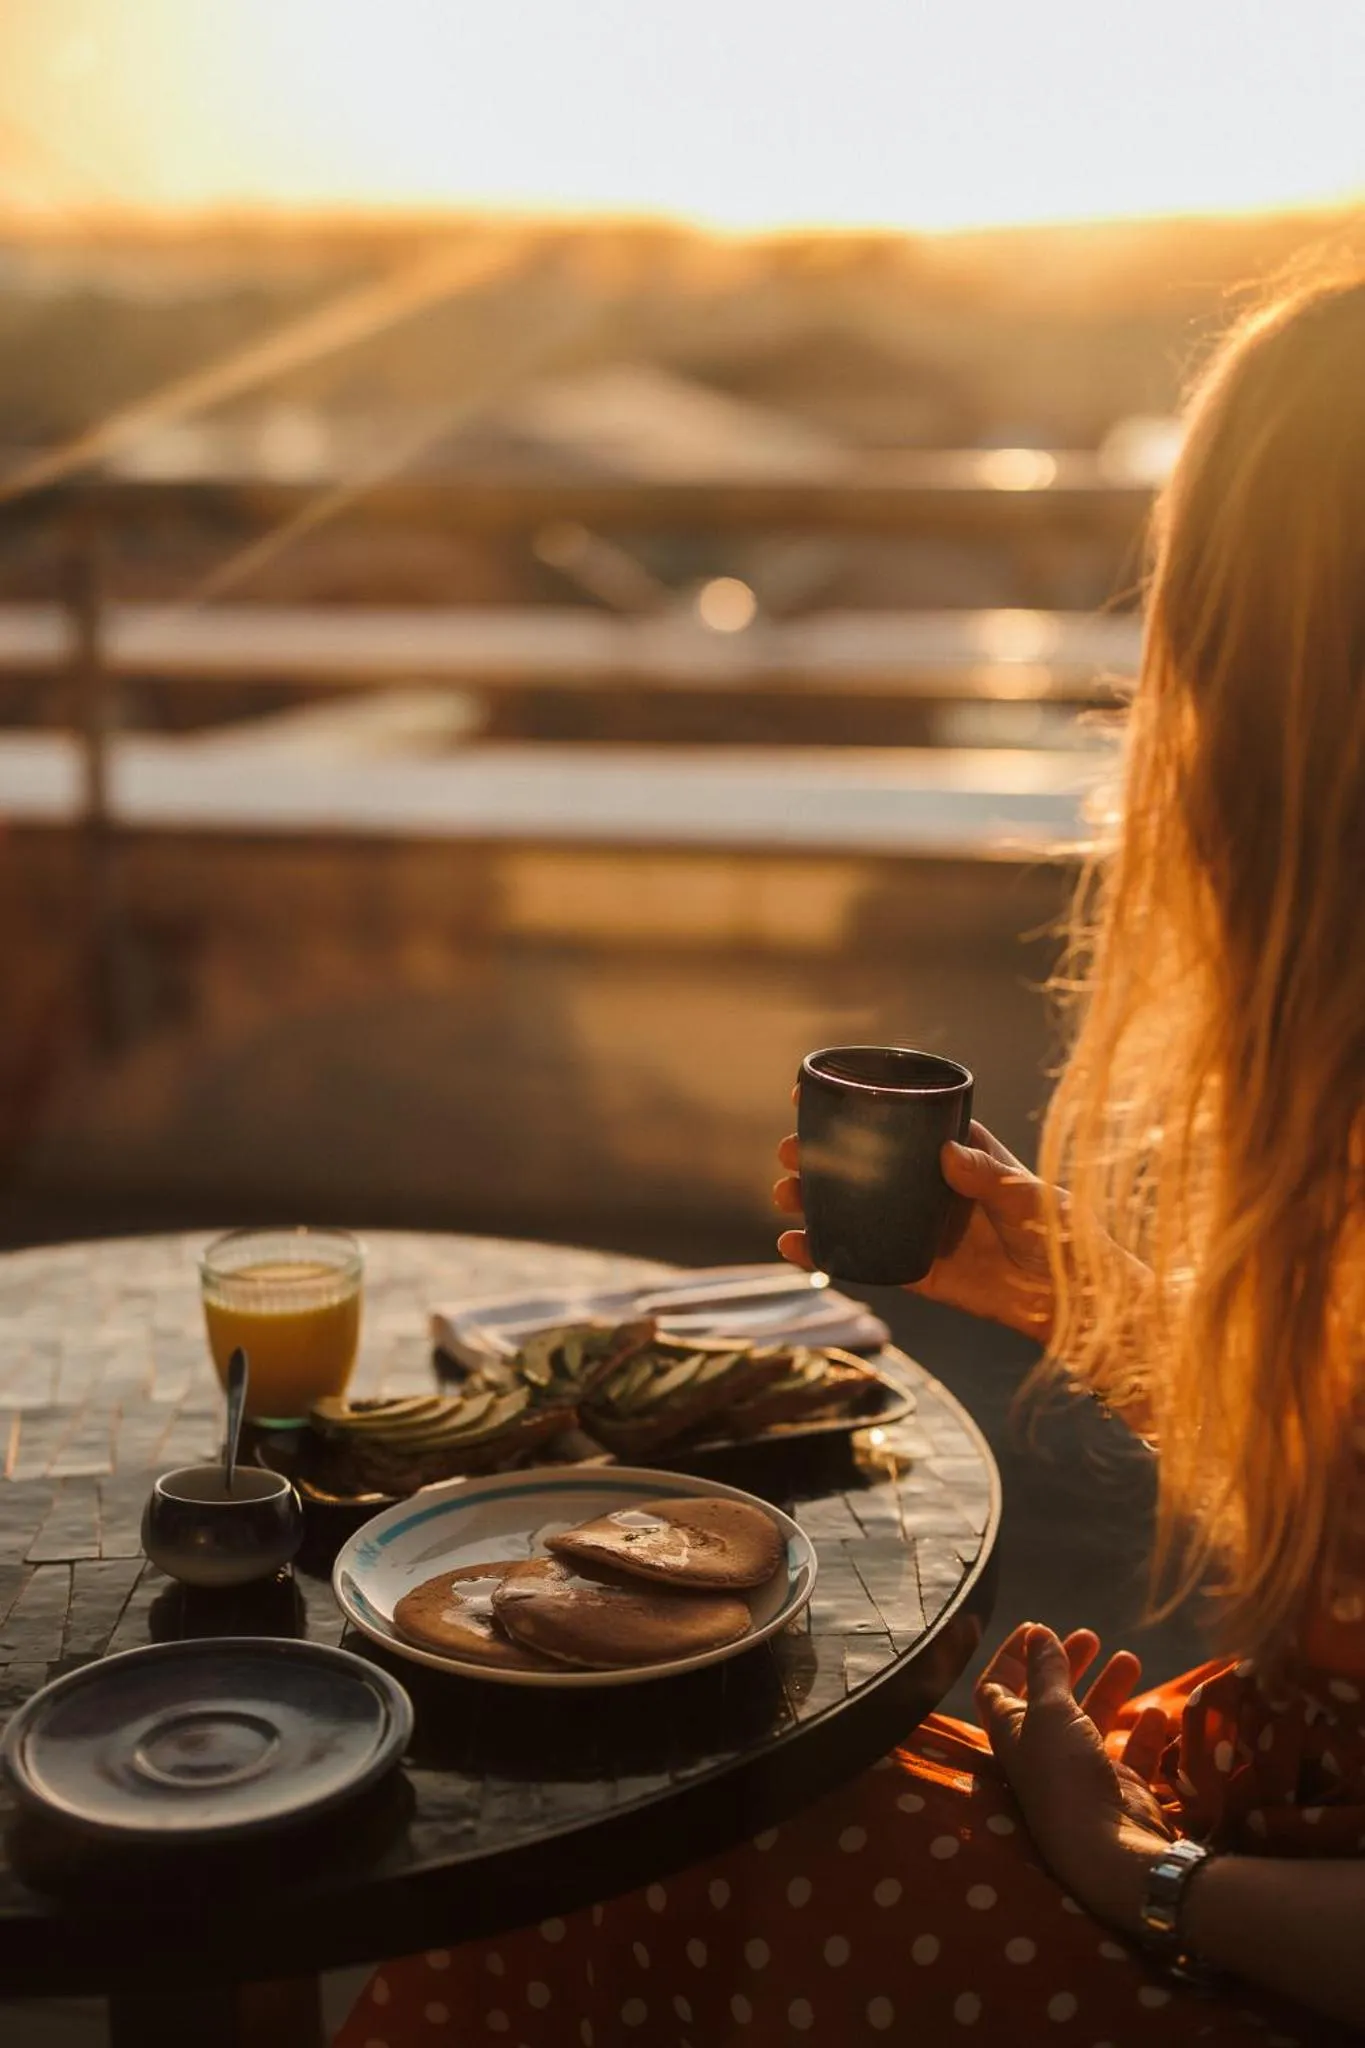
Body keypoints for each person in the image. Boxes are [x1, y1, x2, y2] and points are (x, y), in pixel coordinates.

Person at [338, 266, 1365, 2046]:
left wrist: (1131, 1864)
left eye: (1195, 637)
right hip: (1255, 1808)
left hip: (1255, 1917)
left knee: (638, 1851)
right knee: (684, 1785)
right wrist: (1091, 1304)